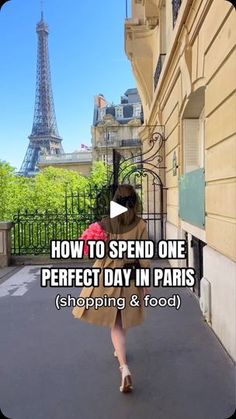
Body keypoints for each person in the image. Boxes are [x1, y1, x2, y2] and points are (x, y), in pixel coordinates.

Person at [72, 184, 151, 393]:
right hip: (130, 277)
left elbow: (91, 250)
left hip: (106, 276)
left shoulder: (105, 224)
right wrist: (145, 282)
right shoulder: (140, 224)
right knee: (122, 319)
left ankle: (124, 366)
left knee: (116, 324)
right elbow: (144, 257)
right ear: (134, 201)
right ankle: (121, 352)